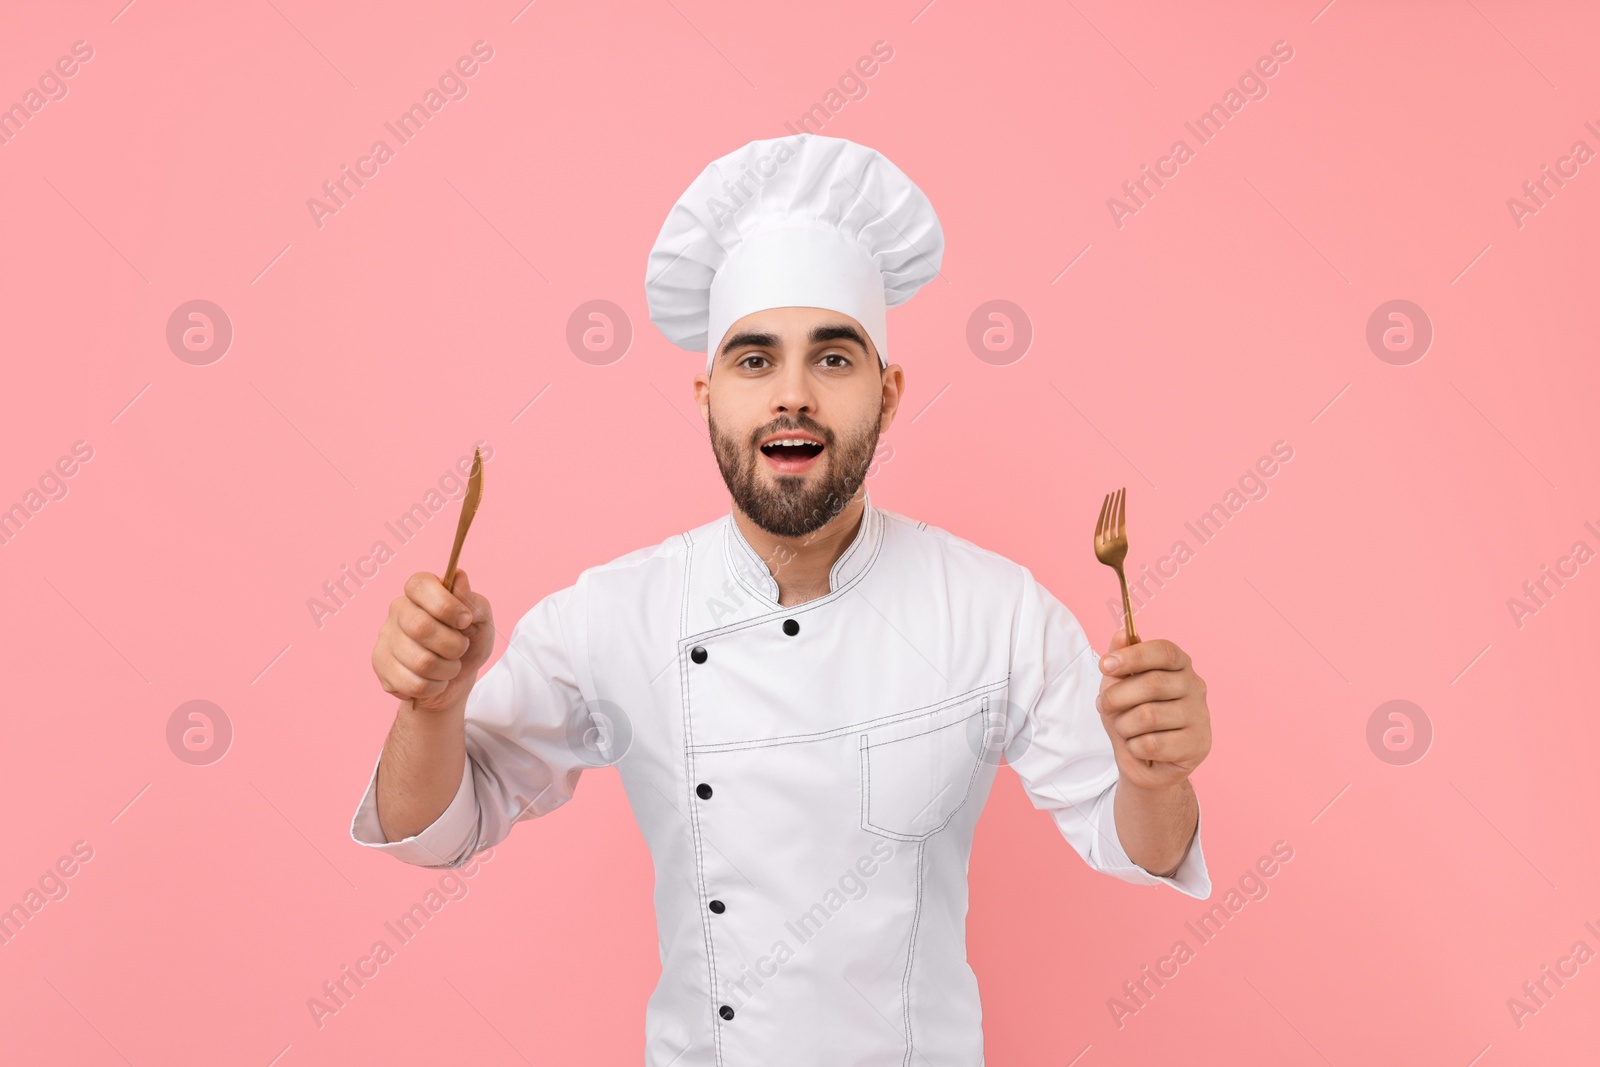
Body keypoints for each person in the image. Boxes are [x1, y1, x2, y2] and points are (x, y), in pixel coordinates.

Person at [352, 132, 1213, 1065]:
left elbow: (1145, 848)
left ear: (887, 395)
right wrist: (431, 709)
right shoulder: (612, 616)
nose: (792, 396)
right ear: (707, 394)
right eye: (754, 361)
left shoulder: (995, 610)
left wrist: (1155, 773)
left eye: (833, 360)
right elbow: (426, 834)